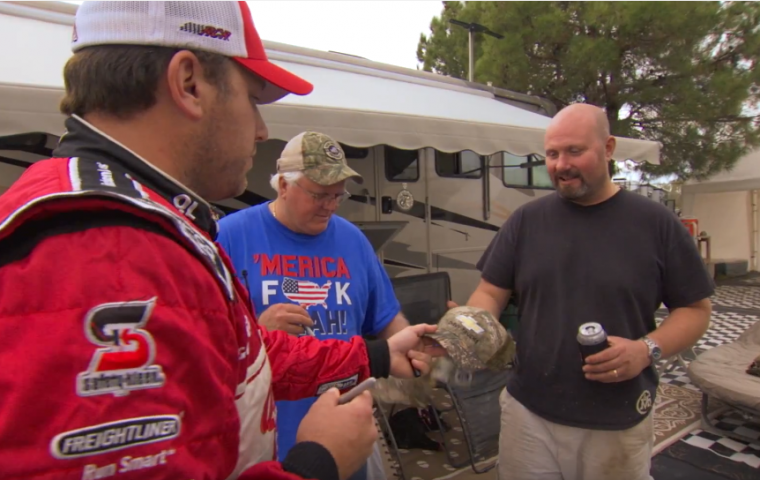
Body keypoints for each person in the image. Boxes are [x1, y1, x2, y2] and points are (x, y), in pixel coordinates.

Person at [0, 2, 443, 480]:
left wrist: (377, 354)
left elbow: (230, 353)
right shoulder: (112, 249)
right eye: (252, 98)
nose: (261, 129)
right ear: (189, 84)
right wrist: (318, 462)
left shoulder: (139, 219)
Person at [452, 103, 714, 480]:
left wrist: (645, 350)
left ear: (608, 148)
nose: (561, 165)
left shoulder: (656, 223)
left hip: (617, 418)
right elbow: (491, 292)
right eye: (553, 154)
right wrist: (474, 325)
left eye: (575, 151)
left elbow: (695, 310)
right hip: (529, 413)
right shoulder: (527, 220)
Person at [216, 131, 410, 480]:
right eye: (320, 194)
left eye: (339, 195)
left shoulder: (353, 240)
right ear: (283, 186)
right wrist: (258, 333)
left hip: (343, 437)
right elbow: (205, 347)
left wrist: (418, 347)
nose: (331, 206)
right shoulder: (228, 236)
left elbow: (386, 317)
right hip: (264, 444)